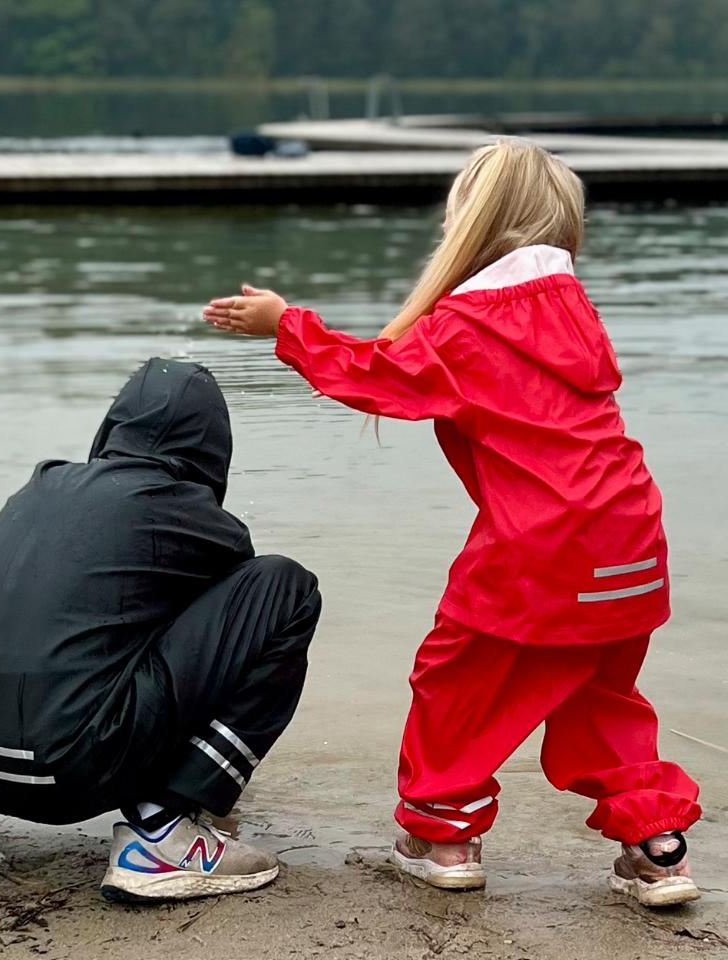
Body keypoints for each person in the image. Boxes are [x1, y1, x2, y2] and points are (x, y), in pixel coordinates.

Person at [203, 139, 701, 907]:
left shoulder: (471, 324)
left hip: (543, 544)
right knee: (601, 694)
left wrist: (285, 324)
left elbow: (374, 376)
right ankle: (658, 846)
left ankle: (443, 833)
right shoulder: (576, 312)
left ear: (470, 221)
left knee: (455, 679)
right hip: (632, 538)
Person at [0, 358, 321, 902]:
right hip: (73, 770)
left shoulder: (40, 488)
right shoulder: (196, 514)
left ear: (112, 427)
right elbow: (223, 631)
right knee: (283, 588)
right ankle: (161, 832)